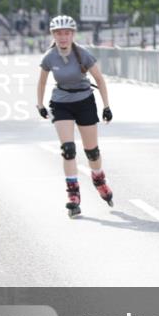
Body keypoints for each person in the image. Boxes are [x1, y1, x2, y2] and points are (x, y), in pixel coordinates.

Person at [36, 15, 115, 218]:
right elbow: (42, 82)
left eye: (67, 33)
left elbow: (99, 79)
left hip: (84, 102)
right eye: (58, 33)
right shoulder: (49, 57)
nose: (63, 37)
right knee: (68, 149)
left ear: (73, 34)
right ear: (53, 35)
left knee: (92, 152)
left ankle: (98, 178)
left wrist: (106, 106)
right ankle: (73, 194)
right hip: (61, 103)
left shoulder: (83, 54)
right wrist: (40, 104)